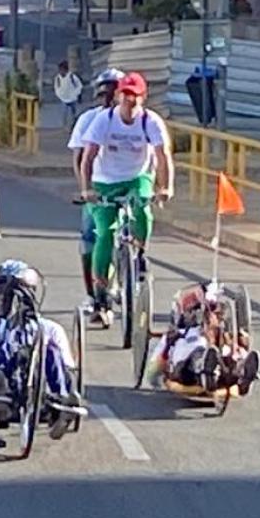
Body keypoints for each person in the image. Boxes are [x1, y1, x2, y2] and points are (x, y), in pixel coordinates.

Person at [78, 72, 173, 327]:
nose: (129, 101)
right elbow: (87, 158)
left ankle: (139, 253)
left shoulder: (150, 122)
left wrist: (165, 187)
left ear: (143, 98)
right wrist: (87, 190)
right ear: (119, 95)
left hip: (136, 177)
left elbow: (163, 157)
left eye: (135, 96)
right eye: (125, 95)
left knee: (143, 211)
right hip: (104, 180)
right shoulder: (103, 120)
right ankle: (100, 293)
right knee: (105, 234)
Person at [0, 260, 83, 440]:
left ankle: (61, 404)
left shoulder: (50, 328)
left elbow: (68, 369)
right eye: (2, 293)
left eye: (19, 293)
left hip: (39, 382)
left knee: (51, 349)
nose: (9, 299)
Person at [67, 68, 122, 305]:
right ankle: (94, 293)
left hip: (126, 183)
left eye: (114, 93)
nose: (108, 99)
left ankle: (133, 270)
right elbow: (80, 158)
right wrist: (85, 190)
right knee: (91, 236)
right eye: (104, 94)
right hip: (98, 188)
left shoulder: (136, 119)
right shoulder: (89, 120)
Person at [146, 283, 260, 396]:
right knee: (199, 349)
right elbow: (152, 375)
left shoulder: (225, 335)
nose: (212, 317)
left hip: (223, 368)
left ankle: (242, 372)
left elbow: (236, 345)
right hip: (186, 372)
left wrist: (241, 340)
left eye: (217, 314)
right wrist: (167, 348)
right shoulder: (179, 334)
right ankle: (207, 372)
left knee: (234, 354)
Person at [53, 60, 83, 126]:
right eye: (60, 70)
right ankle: (64, 126)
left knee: (74, 113)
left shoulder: (72, 76)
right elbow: (56, 87)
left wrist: (76, 93)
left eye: (62, 69)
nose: (61, 71)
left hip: (73, 98)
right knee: (64, 113)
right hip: (63, 98)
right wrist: (59, 94)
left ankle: (74, 125)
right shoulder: (58, 78)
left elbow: (79, 85)